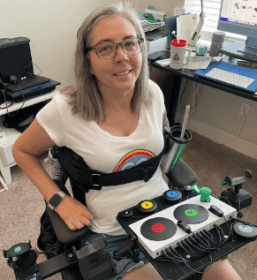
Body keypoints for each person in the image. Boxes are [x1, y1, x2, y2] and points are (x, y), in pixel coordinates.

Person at [12, 2, 242, 280]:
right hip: (113, 236)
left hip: (170, 215)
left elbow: (163, 149)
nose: (122, 56)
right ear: (87, 61)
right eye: (105, 48)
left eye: (130, 44)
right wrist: (59, 200)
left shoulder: (154, 94)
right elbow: (22, 150)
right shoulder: (65, 109)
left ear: (141, 50)